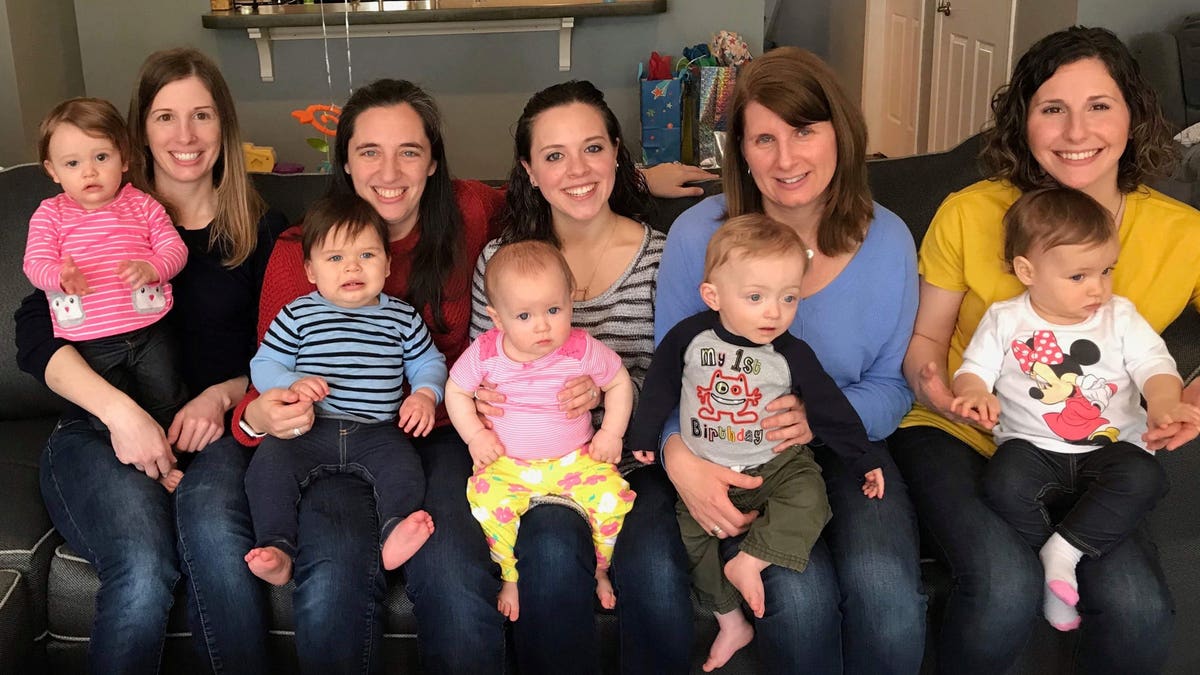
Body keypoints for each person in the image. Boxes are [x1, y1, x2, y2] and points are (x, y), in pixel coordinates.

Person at [231, 77, 715, 674]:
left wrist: (642, 178)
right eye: (369, 152)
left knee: (612, 570)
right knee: (352, 570)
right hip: (416, 441)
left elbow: (677, 371)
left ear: (433, 162)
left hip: (553, 449)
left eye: (409, 150)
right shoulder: (308, 250)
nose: (390, 170)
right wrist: (259, 411)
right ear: (345, 165)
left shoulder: (482, 215)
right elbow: (270, 372)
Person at [891, 26, 1200, 674]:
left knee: (1140, 609)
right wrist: (939, 389)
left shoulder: (1183, 232)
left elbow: (1157, 367)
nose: (1074, 130)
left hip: (1097, 452)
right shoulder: (970, 212)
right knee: (1004, 586)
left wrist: (1191, 395)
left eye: (1099, 105)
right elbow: (925, 341)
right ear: (1023, 121)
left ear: (1134, 115)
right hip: (961, 433)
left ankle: (1067, 550)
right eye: (1052, 108)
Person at [15, 47, 286, 674]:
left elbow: (289, 347)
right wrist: (120, 414)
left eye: (202, 116)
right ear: (139, 133)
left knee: (218, 542)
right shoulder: (92, 214)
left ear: (225, 126)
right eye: (165, 117)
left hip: (217, 430)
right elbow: (36, 330)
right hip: (98, 428)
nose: (185, 137)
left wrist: (222, 393)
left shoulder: (262, 228)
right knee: (141, 564)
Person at [656, 46, 925, 673]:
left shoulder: (887, 238)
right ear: (740, 152)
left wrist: (817, 418)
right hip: (737, 447)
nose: (786, 159)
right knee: (797, 602)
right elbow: (672, 374)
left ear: (841, 132)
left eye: (804, 131)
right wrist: (677, 452)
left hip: (852, 442)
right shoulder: (699, 237)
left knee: (886, 591)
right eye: (763, 139)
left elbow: (891, 385)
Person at [467, 79, 696, 673]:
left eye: (593, 148)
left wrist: (608, 398)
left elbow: (678, 378)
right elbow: (479, 372)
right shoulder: (500, 261)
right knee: (544, 555)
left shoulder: (663, 256)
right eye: (554, 155)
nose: (578, 170)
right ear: (529, 170)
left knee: (654, 563)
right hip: (532, 466)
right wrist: (488, 408)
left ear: (618, 153)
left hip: (630, 460)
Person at [631, 214, 886, 671]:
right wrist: (644, 436)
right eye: (756, 297)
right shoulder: (689, 338)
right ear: (713, 295)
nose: (775, 312)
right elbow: (661, 387)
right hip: (708, 467)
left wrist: (862, 457)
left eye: (789, 297)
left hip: (776, 465)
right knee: (692, 541)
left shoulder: (790, 353)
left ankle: (751, 559)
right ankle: (730, 621)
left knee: (812, 496)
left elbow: (829, 408)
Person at [949, 186, 1198, 632]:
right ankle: (1056, 567)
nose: (1098, 288)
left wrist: (1164, 402)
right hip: (1032, 448)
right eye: (1079, 277)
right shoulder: (1005, 319)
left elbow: (1155, 365)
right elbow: (974, 370)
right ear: (1027, 271)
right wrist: (973, 393)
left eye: (1106, 270)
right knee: (1001, 483)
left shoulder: (1119, 316)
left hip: (1110, 447)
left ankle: (1061, 552)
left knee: (1147, 477)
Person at [243, 194, 443, 586]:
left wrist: (424, 394)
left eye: (367, 255)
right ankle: (278, 547)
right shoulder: (298, 313)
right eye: (335, 258)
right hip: (308, 427)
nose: (352, 266)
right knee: (267, 470)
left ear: (387, 263)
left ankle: (393, 532)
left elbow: (428, 363)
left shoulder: (401, 316)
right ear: (311, 270)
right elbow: (264, 365)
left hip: (378, 432)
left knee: (405, 471)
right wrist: (291, 383)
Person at [447, 239, 635, 620]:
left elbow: (619, 381)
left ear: (571, 301)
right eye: (524, 316)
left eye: (554, 309)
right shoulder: (485, 353)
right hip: (508, 462)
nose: (543, 326)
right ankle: (510, 575)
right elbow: (456, 390)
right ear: (497, 319)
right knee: (485, 501)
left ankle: (600, 568)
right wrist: (476, 435)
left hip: (576, 459)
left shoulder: (580, 348)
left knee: (614, 497)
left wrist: (610, 433)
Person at [24, 97, 188, 489]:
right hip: (90, 341)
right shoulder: (50, 215)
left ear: (125, 158)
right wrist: (59, 277)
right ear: (52, 171)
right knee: (108, 416)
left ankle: (172, 456)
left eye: (102, 156)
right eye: (73, 163)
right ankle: (146, 469)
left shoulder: (143, 205)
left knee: (167, 397)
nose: (90, 172)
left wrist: (153, 268)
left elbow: (174, 250)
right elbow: (34, 264)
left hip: (149, 330)